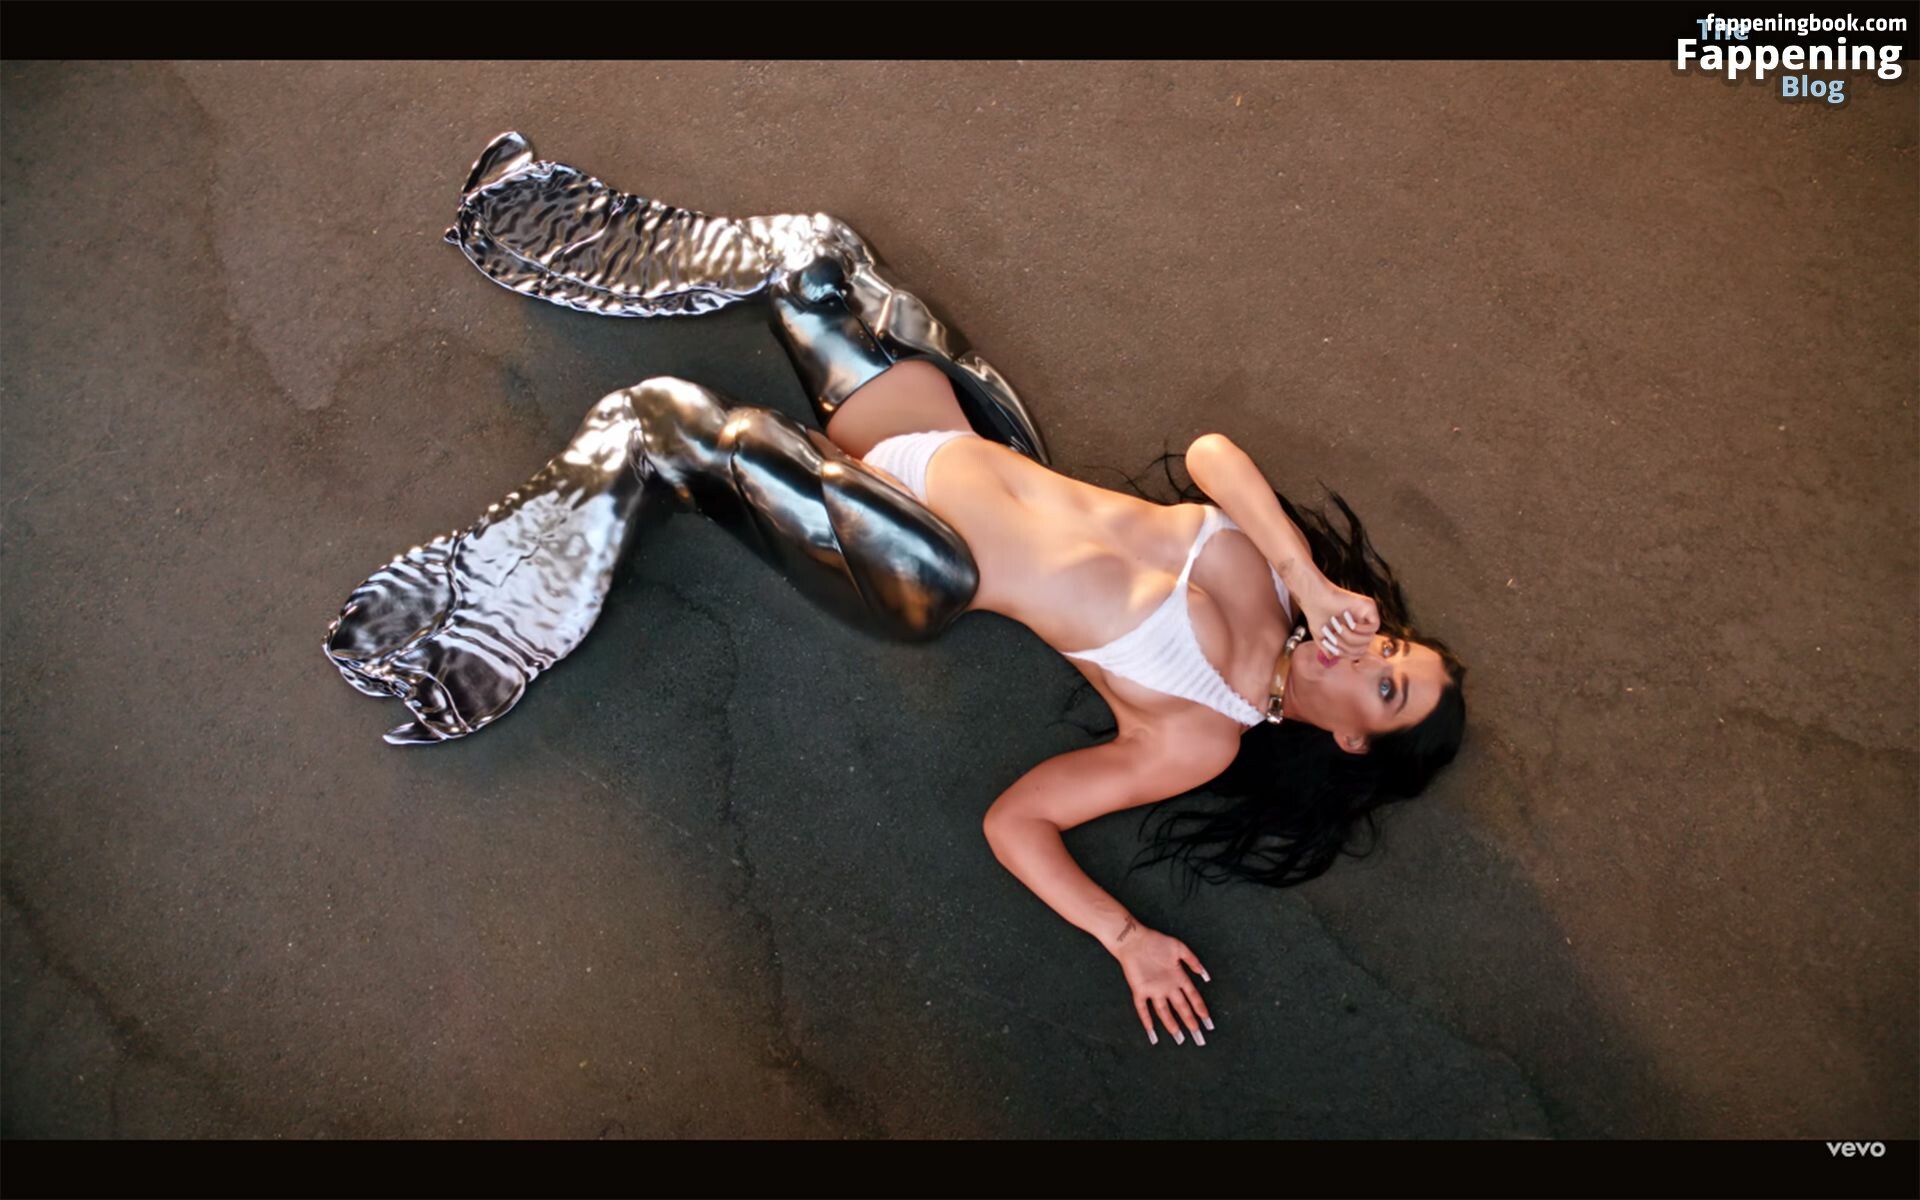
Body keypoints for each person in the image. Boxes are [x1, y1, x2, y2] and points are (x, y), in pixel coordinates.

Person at [326, 133, 1468, 1050]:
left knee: (667, 421)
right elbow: (1215, 454)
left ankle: (489, 619)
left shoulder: (1201, 736)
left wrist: (1123, 936)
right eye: (1393, 648)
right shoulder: (1280, 583)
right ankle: (541, 232)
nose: (1370, 656)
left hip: (911, 559)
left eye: (1386, 689)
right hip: (940, 441)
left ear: (1351, 744)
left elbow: (1019, 822)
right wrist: (1305, 572)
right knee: (814, 251)